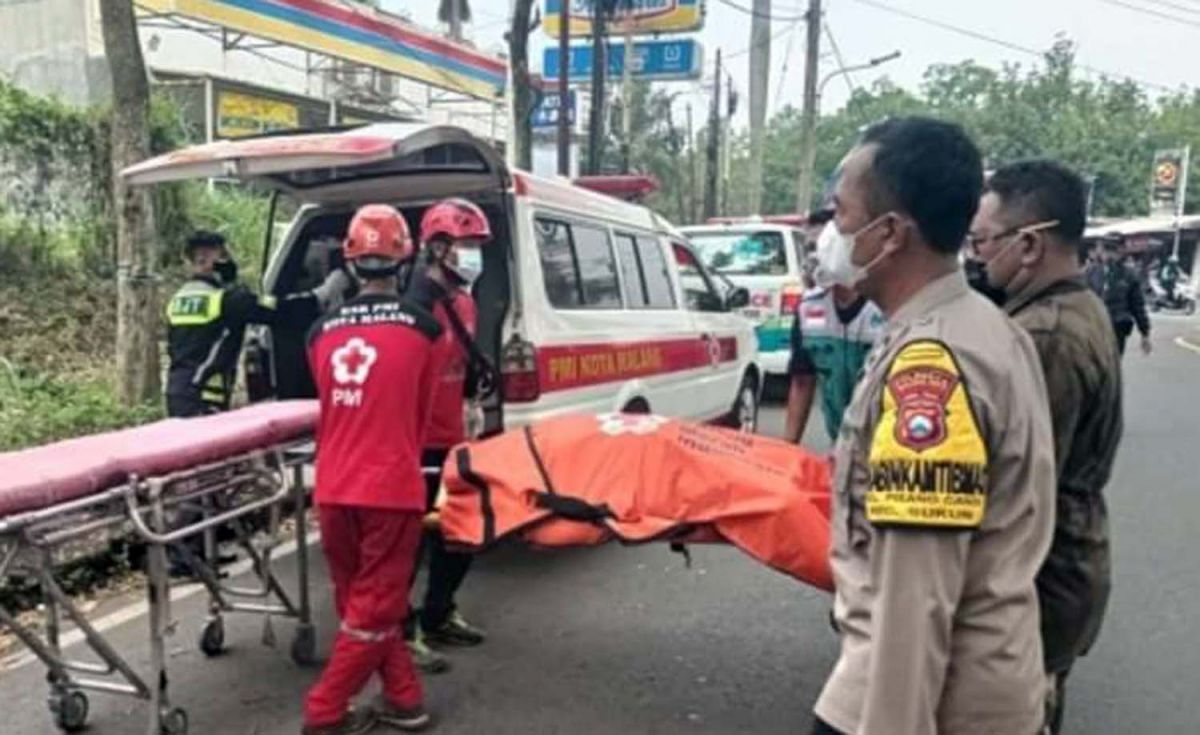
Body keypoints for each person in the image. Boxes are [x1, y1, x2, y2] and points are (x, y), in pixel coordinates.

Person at [810, 117, 1056, 735]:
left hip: (920, 699)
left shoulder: (933, 366)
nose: (829, 236)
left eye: (839, 216)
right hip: (985, 680)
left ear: (889, 233)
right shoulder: (983, 326)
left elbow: (915, 599)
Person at [968, 160, 1123, 734]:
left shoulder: (1046, 336)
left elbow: (1019, 489)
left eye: (983, 241)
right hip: (1062, 567)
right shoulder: (1069, 310)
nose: (978, 255)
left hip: (1039, 579)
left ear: (1028, 244)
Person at [302, 205, 443, 735]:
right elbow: (421, 415)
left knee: (359, 601)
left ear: (349, 261)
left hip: (334, 484)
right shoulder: (426, 331)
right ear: (405, 258)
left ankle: (405, 699)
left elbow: (332, 402)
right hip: (390, 484)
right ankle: (324, 711)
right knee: (375, 605)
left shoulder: (319, 332)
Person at [404, 198, 495, 674]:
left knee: (462, 531)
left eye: (478, 246)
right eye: (467, 246)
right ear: (437, 248)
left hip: (455, 438)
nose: (474, 255)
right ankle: (402, 632)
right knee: (407, 544)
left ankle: (439, 612)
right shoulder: (412, 307)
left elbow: (457, 369)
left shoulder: (464, 302)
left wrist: (472, 403)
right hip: (415, 444)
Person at [165, 230, 349, 417]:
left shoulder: (179, 299)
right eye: (223, 257)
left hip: (176, 392)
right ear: (204, 262)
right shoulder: (227, 301)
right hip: (203, 397)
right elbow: (281, 309)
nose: (229, 263)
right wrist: (326, 292)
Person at [782, 278, 884, 444]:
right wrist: (788, 448)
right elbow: (802, 382)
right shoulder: (809, 308)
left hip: (883, 441)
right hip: (840, 442)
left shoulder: (885, 307)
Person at [1085, 239, 1152, 356]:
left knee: (1112, 365)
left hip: (1117, 328)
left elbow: (1137, 306)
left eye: (1113, 250)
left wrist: (1144, 333)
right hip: (1093, 327)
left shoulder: (1129, 276)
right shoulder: (1090, 272)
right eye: (1106, 249)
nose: (1109, 254)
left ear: (1122, 251)